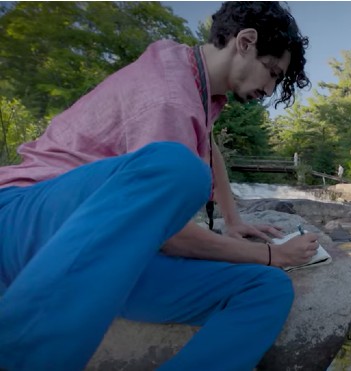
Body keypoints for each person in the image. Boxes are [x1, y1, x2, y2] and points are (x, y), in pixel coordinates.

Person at [0, 2, 319, 370]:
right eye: (273, 72)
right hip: (25, 222)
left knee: (265, 289)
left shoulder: (198, 85)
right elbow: (171, 236)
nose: (270, 87)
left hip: (107, 252)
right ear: (245, 42)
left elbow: (209, 147)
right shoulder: (167, 94)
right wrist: (271, 256)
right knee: (177, 168)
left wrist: (233, 219)